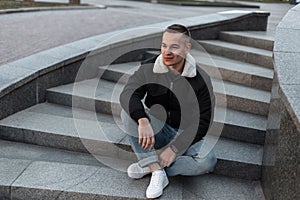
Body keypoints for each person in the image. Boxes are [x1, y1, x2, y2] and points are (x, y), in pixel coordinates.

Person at [119, 24, 217, 199]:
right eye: (164, 45)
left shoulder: (201, 80)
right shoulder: (149, 68)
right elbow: (128, 94)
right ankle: (156, 171)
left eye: (174, 46)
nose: (167, 51)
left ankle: (150, 165)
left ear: (187, 48)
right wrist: (143, 120)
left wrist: (175, 148)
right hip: (157, 129)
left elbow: (204, 120)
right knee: (128, 112)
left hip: (185, 133)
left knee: (207, 161)